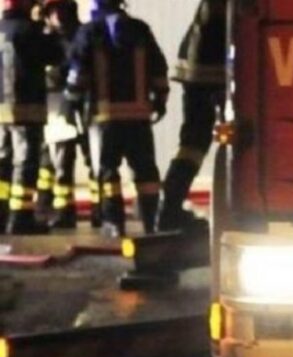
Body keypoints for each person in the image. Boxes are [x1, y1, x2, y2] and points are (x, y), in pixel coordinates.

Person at [66, 0, 169, 237]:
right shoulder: (140, 29)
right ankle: (152, 222)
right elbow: (158, 68)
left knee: (107, 172)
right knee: (145, 172)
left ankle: (114, 223)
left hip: (105, 118)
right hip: (139, 117)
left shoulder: (89, 32)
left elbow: (77, 73)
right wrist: (160, 100)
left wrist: (72, 101)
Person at [156, 0, 226, 232]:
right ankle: (170, 209)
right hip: (213, 70)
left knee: (193, 143)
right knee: (197, 143)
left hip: (201, 69)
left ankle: (169, 208)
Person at [0, 0, 62, 234]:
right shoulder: (29, 31)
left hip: (1, 110)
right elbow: (55, 54)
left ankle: (1, 214)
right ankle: (21, 217)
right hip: (26, 108)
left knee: (3, 162)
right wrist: (50, 28)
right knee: (25, 163)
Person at [41, 0, 99, 229]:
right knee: (58, 161)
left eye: (61, 10)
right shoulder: (47, 39)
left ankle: (99, 208)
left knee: (93, 158)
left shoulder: (84, 35)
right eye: (53, 12)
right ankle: (61, 209)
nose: (58, 16)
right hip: (59, 106)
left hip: (84, 103)